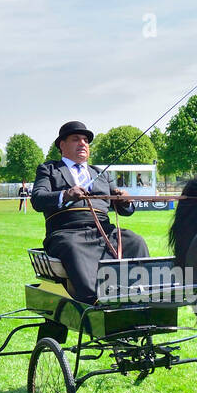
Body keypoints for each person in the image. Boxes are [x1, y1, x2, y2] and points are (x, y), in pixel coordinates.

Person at [31, 120, 148, 303]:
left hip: (104, 232)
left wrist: (125, 200)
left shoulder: (101, 174)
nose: (82, 143)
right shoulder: (49, 169)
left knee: (134, 241)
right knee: (73, 248)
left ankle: (140, 295)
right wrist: (67, 194)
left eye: (85, 140)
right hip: (67, 233)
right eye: (76, 139)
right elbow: (38, 199)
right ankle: (95, 301)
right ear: (62, 145)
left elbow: (126, 211)